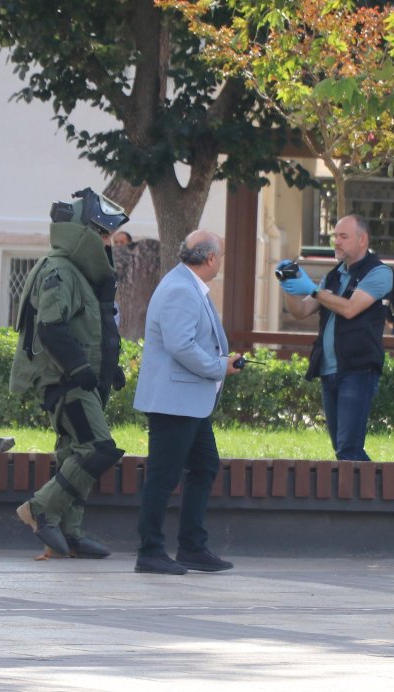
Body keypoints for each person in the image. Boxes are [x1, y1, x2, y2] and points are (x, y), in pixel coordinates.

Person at [10, 187, 128, 559]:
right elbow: (51, 328)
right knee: (98, 448)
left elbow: (88, 328)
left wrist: (110, 367)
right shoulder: (61, 270)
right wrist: (79, 368)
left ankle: (67, 535)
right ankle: (39, 509)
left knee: (72, 454)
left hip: (80, 380)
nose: (108, 242)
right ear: (83, 233)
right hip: (66, 382)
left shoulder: (79, 272)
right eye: (103, 233)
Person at [133, 229, 243, 575]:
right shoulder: (181, 288)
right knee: (163, 477)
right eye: (220, 256)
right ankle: (150, 551)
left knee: (204, 466)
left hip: (188, 402)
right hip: (174, 402)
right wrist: (218, 367)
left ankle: (192, 547)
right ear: (210, 258)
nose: (220, 261)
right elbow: (180, 345)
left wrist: (220, 363)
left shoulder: (186, 284)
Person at [276, 215, 394, 462]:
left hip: (358, 369)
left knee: (348, 450)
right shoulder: (334, 275)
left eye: (343, 236)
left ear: (362, 240)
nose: (337, 242)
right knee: (343, 450)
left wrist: (313, 290)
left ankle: (379, 486)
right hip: (329, 370)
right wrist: (288, 284)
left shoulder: (379, 272)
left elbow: (350, 309)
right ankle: (372, 486)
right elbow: (300, 311)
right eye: (335, 236)